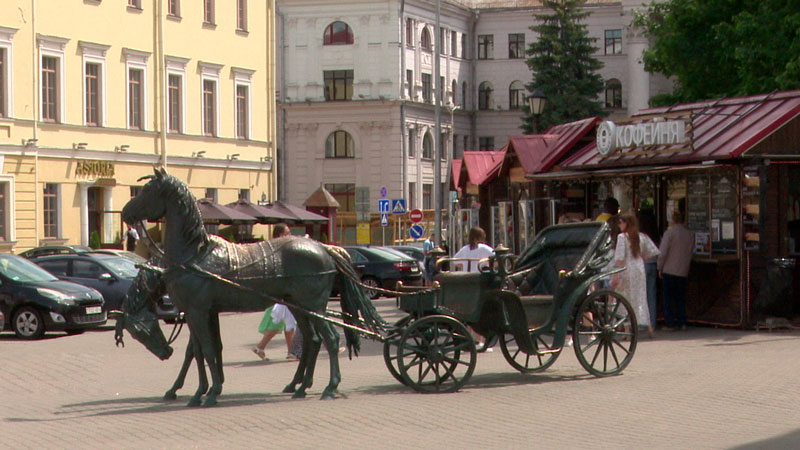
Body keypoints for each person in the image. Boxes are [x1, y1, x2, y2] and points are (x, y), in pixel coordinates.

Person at [252, 223, 300, 361]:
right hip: (280, 293)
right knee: (283, 322)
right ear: (280, 235)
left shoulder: (279, 247)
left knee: (286, 323)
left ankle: (289, 352)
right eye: (287, 232)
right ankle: (262, 347)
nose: (290, 235)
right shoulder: (277, 248)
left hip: (281, 292)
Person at [610, 211, 660, 338]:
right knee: (640, 297)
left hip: (626, 269)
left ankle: (627, 330)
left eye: (620, 222)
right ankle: (648, 327)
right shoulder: (641, 236)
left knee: (624, 298)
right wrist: (642, 257)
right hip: (639, 267)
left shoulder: (622, 237)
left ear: (627, 223)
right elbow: (653, 252)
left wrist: (615, 274)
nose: (619, 225)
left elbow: (620, 258)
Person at [453, 226, 495, 351]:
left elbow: (455, 261)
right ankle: (479, 340)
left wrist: (465, 266)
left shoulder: (465, 249)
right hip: (478, 282)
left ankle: (468, 338)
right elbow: (497, 258)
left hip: (465, 282)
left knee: (467, 312)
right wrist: (489, 266)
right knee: (480, 312)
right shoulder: (483, 248)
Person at [658, 211, 695, 331]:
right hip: (683, 270)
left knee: (668, 298)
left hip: (669, 269)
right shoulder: (689, 234)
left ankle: (670, 324)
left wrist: (660, 267)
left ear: (672, 220)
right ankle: (682, 322)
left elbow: (663, 253)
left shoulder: (669, 233)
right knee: (681, 298)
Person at [639, 209, 660, 330]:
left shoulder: (640, 235)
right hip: (653, 265)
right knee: (651, 295)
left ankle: (642, 323)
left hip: (642, 265)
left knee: (642, 295)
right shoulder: (655, 234)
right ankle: (652, 322)